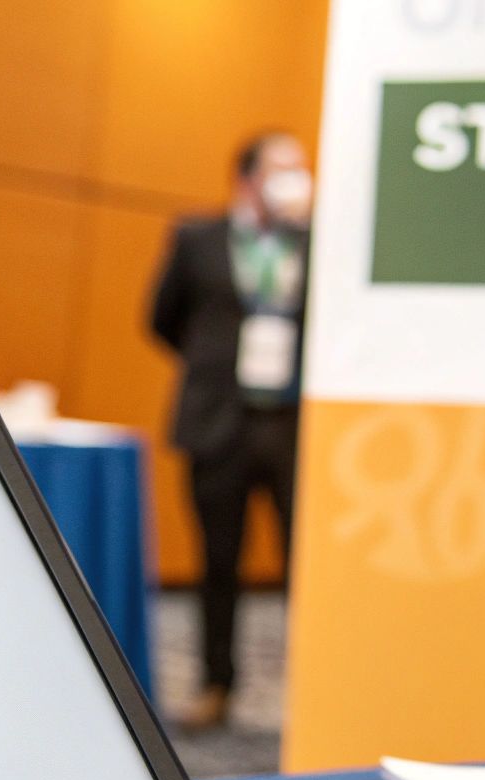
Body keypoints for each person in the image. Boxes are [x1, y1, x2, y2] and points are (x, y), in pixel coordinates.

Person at [150, 132, 313, 729]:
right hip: (221, 422)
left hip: (293, 425)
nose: (296, 179)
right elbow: (161, 319)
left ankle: (312, 690)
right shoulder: (198, 238)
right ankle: (217, 684)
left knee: (305, 562)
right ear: (246, 179)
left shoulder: (316, 245)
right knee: (220, 562)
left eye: (300, 169)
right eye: (281, 169)